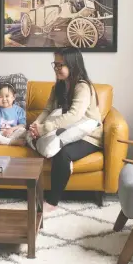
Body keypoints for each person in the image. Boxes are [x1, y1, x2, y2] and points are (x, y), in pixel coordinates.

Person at [28, 47, 103, 212]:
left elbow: (75, 115)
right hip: (68, 131)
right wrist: (36, 125)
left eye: (60, 65)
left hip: (88, 135)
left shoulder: (83, 87)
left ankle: (52, 202)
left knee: (63, 154)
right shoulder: (58, 87)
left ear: (73, 64)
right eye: (55, 64)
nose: (56, 69)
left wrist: (45, 128)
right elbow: (48, 110)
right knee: (33, 139)